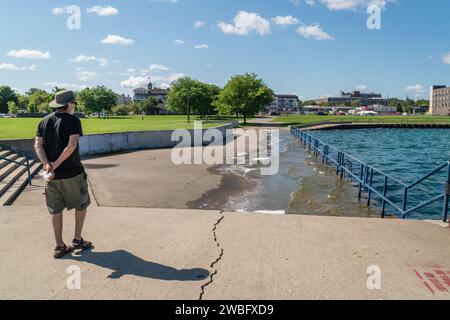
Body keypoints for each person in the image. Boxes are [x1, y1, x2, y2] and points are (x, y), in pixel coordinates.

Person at [34, 90, 93, 259]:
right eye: (74, 103)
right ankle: (77, 239)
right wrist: (55, 164)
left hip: (51, 177)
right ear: (69, 104)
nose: (74, 106)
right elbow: (71, 146)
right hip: (72, 173)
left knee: (55, 210)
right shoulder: (73, 120)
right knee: (81, 204)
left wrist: (47, 165)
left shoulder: (43, 121)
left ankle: (59, 246)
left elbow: (38, 145)